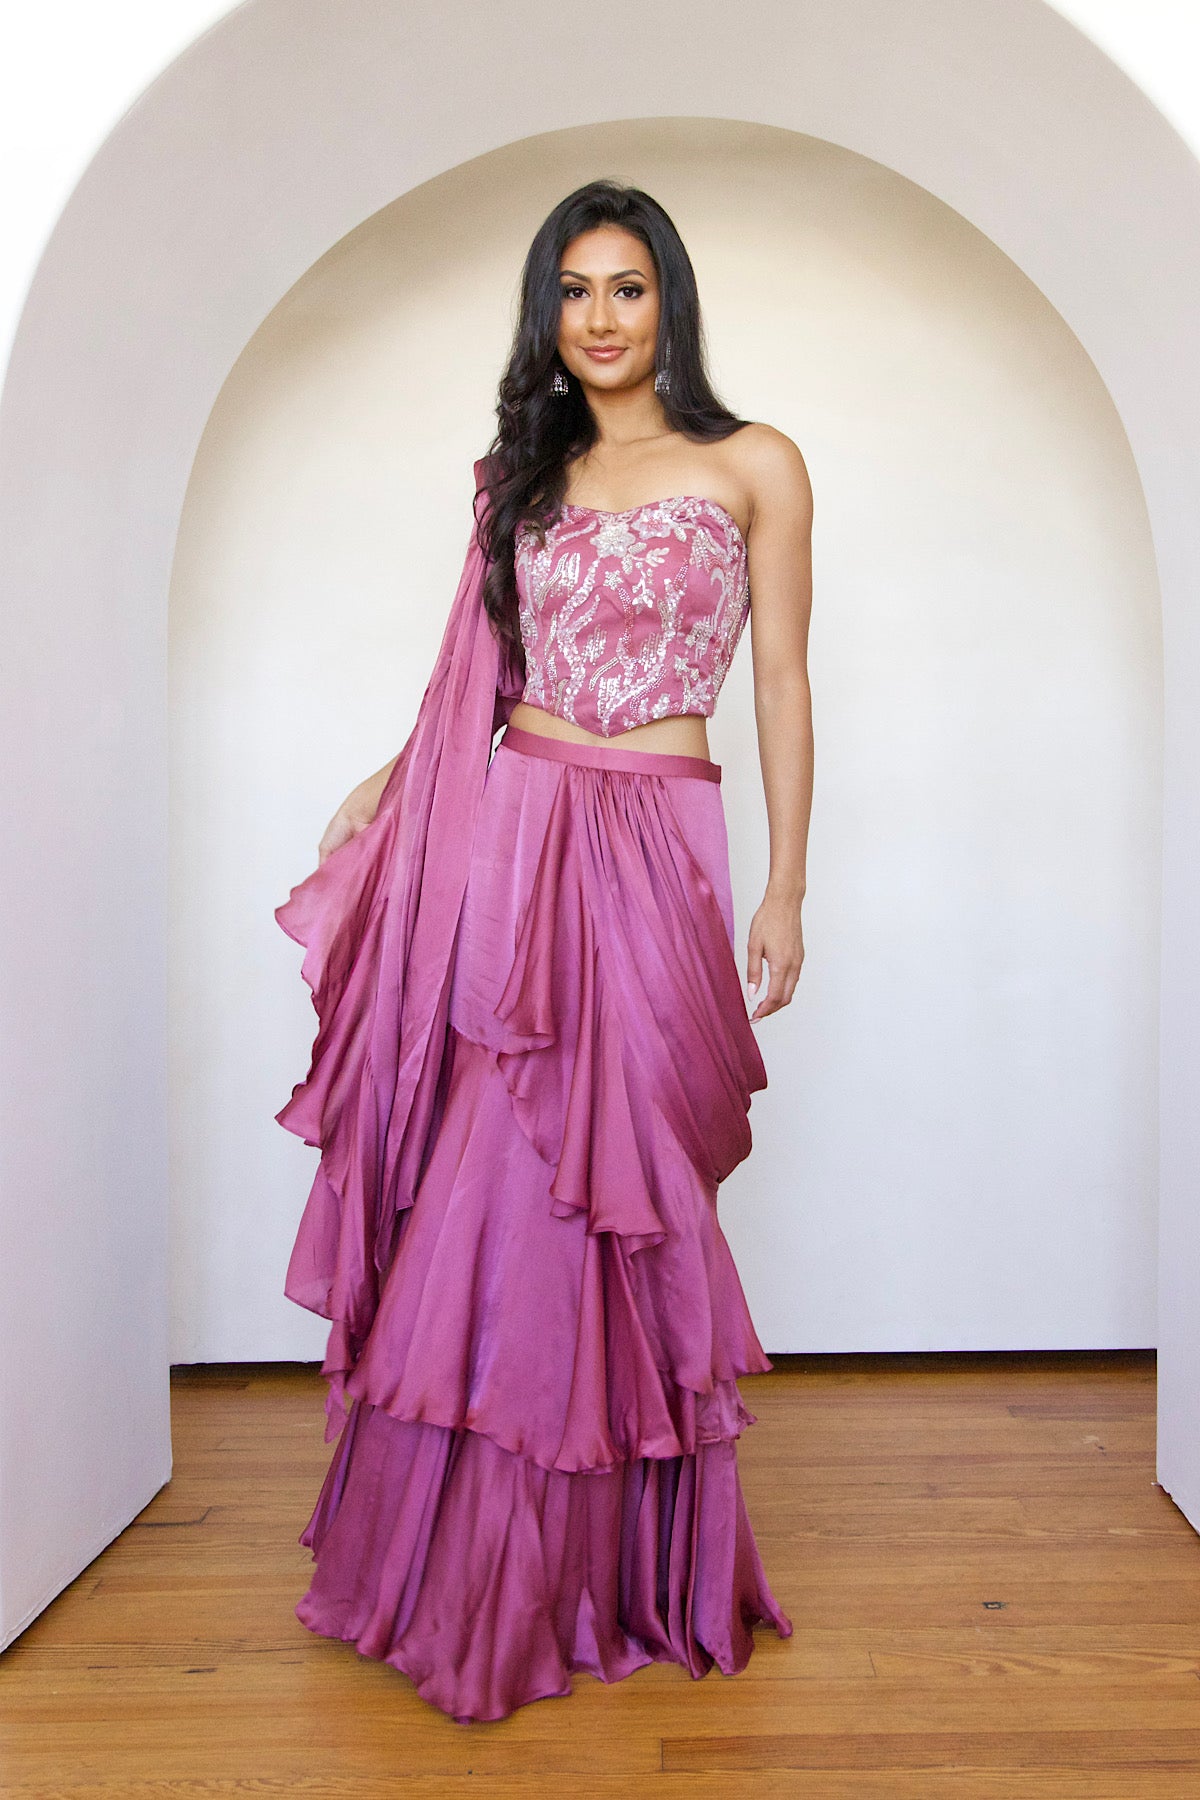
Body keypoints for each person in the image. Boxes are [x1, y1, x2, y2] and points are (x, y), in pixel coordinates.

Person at [273, 177, 814, 1725]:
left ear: (669, 300)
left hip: (660, 837)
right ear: (547, 313)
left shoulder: (755, 462)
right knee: (497, 1188)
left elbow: (782, 681)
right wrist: (397, 777)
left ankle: (628, 1571)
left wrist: (785, 887)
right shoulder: (526, 475)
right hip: (516, 828)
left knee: (632, 1192)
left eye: (627, 287)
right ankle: (469, 1571)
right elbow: (481, 673)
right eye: (573, 291)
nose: (600, 317)